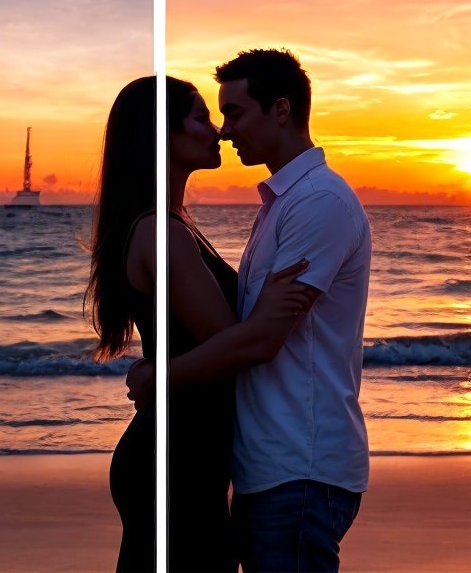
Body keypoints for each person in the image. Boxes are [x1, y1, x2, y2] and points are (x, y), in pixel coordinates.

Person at [129, 50, 372, 573]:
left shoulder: (318, 202)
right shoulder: (281, 204)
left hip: (299, 467)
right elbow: (254, 327)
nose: (224, 130)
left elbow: (261, 340)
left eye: (234, 113)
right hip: (271, 467)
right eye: (217, 116)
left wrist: (158, 379)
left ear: (281, 110)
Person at [85, 75, 313, 573]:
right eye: (201, 117)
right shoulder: (160, 232)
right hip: (176, 462)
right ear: (162, 134)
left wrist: (157, 375)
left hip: (187, 456)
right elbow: (229, 342)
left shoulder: (171, 224)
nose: (219, 132)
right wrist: (274, 303)